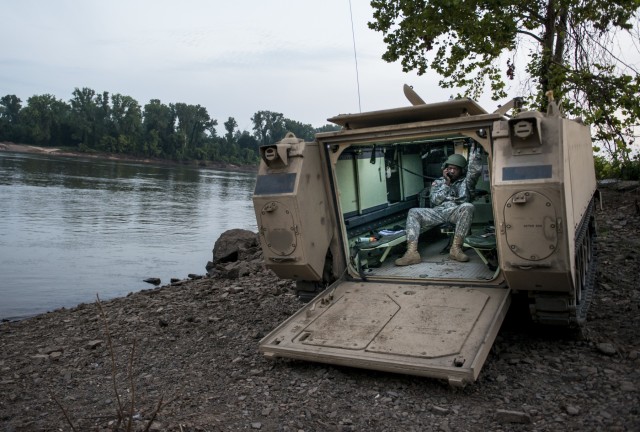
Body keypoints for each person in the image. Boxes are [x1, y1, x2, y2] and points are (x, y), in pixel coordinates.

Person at [395, 148, 483, 266]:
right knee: (413, 212)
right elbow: (435, 200)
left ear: (461, 170)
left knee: (468, 206)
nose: (451, 171)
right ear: (445, 169)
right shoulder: (438, 182)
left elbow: (474, 171)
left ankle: (455, 249)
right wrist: (446, 184)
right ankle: (411, 253)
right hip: (438, 212)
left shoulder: (466, 182)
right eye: (449, 168)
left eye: (455, 169)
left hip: (456, 212)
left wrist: (475, 151)